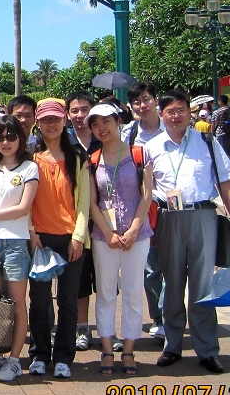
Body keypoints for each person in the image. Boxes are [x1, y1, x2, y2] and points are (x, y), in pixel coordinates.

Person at [147, 90, 230, 374]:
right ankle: (172, 345)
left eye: (181, 109)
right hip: (167, 218)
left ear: (189, 112)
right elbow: (146, 189)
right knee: (171, 282)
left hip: (202, 215)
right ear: (161, 115)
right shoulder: (152, 147)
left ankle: (206, 349)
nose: (176, 115)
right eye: (170, 111)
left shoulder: (207, 142)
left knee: (202, 285)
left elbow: (225, 181)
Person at [86, 104, 153, 377]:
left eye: (106, 121)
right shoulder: (92, 160)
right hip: (105, 237)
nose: (101, 128)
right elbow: (92, 202)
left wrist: (134, 230)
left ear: (117, 122)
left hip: (137, 235)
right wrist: (108, 232)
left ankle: (128, 350)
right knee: (105, 293)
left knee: (134, 293)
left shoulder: (139, 154)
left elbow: (146, 195)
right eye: (95, 124)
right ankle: (106, 349)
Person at [28, 99, 89, 379]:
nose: (51, 124)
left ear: (64, 120)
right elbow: (26, 201)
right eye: (45, 120)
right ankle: (40, 354)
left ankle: (64, 356)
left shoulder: (77, 157)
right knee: (39, 301)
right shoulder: (31, 159)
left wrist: (78, 236)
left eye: (55, 119)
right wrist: (32, 232)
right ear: (37, 124)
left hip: (70, 238)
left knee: (67, 300)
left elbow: (84, 202)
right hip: (40, 239)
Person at [0, 116, 39, 382]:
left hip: (16, 243)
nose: (5, 142)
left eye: (11, 136)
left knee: (16, 304)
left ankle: (14, 359)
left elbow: (23, 208)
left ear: (20, 139)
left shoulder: (29, 168)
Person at [123, 81, 165, 341]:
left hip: (170, 206)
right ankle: (159, 318)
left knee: (173, 266)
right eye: (137, 102)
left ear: (156, 100)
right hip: (143, 208)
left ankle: (172, 317)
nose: (142, 105)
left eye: (147, 99)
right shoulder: (129, 133)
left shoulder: (171, 128)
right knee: (151, 268)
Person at [65, 92, 100, 352]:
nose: (80, 115)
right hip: (75, 220)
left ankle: (108, 330)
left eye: (85, 109)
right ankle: (82, 328)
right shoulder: (63, 142)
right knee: (80, 279)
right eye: (74, 110)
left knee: (106, 279)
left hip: (105, 220)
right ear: (67, 114)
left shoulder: (104, 139)